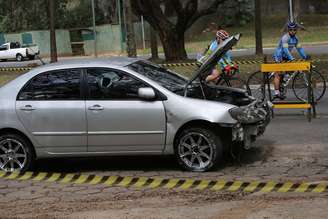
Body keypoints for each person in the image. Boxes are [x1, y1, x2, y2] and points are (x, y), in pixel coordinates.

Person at [272, 21, 310, 99]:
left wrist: (305, 56)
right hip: (279, 56)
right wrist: (292, 58)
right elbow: (285, 49)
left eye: (294, 30)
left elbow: (300, 49)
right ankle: (276, 92)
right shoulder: (285, 38)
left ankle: (282, 83)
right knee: (278, 74)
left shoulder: (295, 39)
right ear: (288, 30)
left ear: (296, 30)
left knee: (290, 70)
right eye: (291, 30)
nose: (293, 31)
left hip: (286, 57)